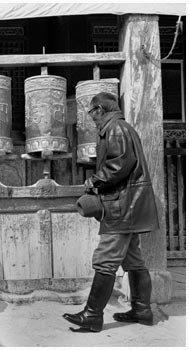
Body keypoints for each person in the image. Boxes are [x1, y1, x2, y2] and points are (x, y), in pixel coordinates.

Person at [63, 92, 159, 332]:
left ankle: (92, 315)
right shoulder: (121, 127)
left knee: (105, 260)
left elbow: (119, 164)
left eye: (91, 113)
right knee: (133, 259)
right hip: (130, 205)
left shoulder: (115, 128)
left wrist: (95, 181)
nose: (91, 118)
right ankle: (142, 310)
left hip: (122, 206)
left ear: (99, 110)